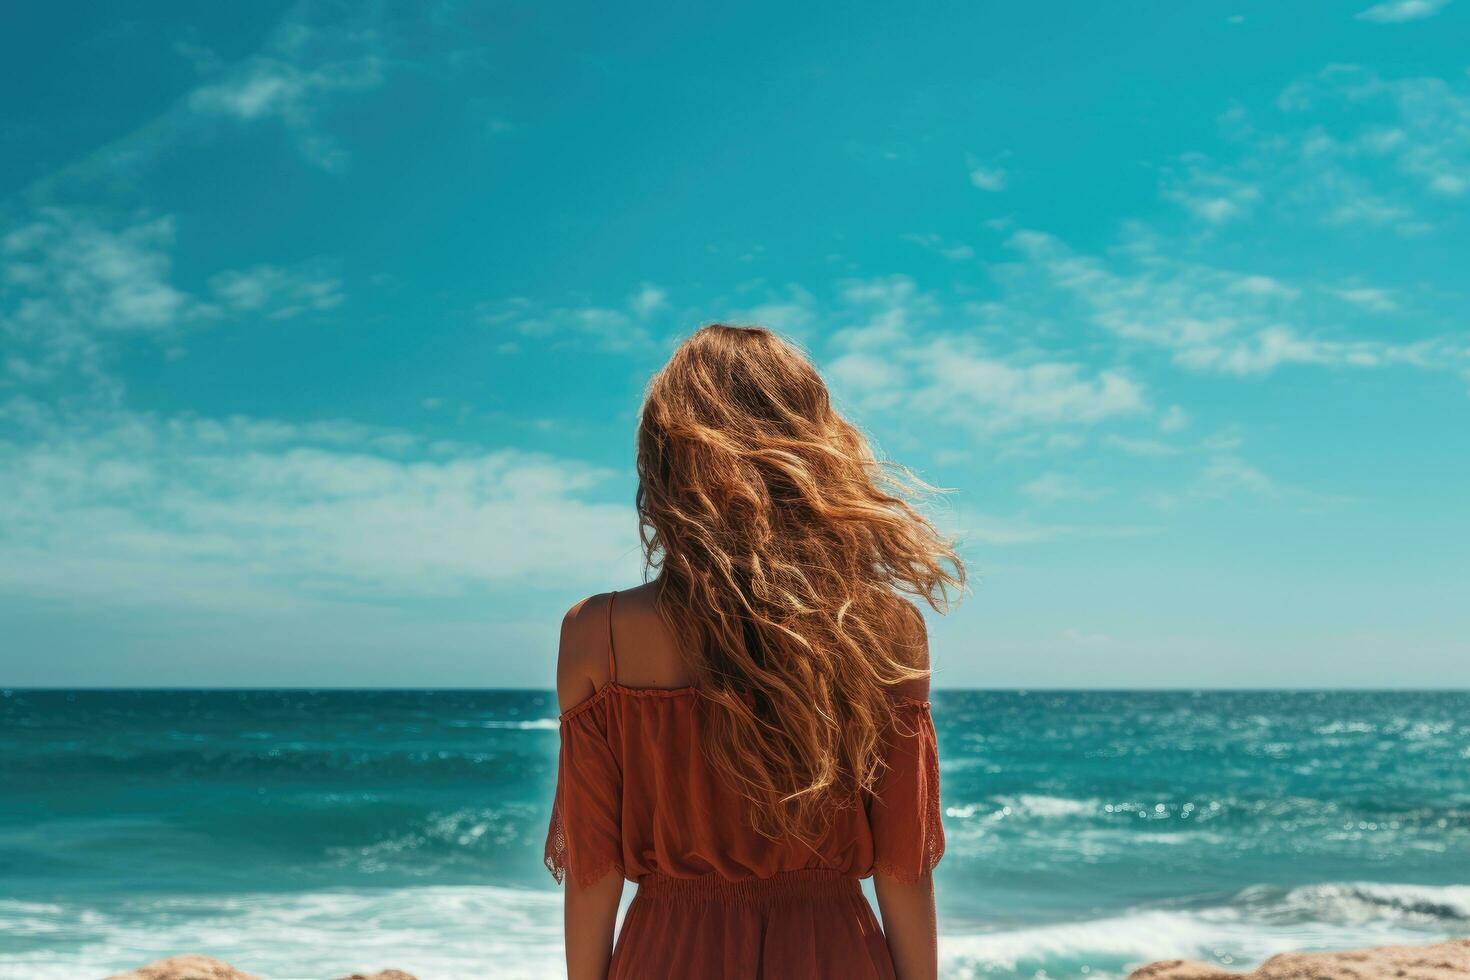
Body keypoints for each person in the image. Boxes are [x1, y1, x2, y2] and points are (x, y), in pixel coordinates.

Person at [545, 324, 964, 979]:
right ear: (817, 451)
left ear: (665, 463)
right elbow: (902, 870)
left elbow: (593, 875)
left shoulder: (597, 635)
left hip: (667, 956)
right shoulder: (883, 628)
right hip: (833, 955)